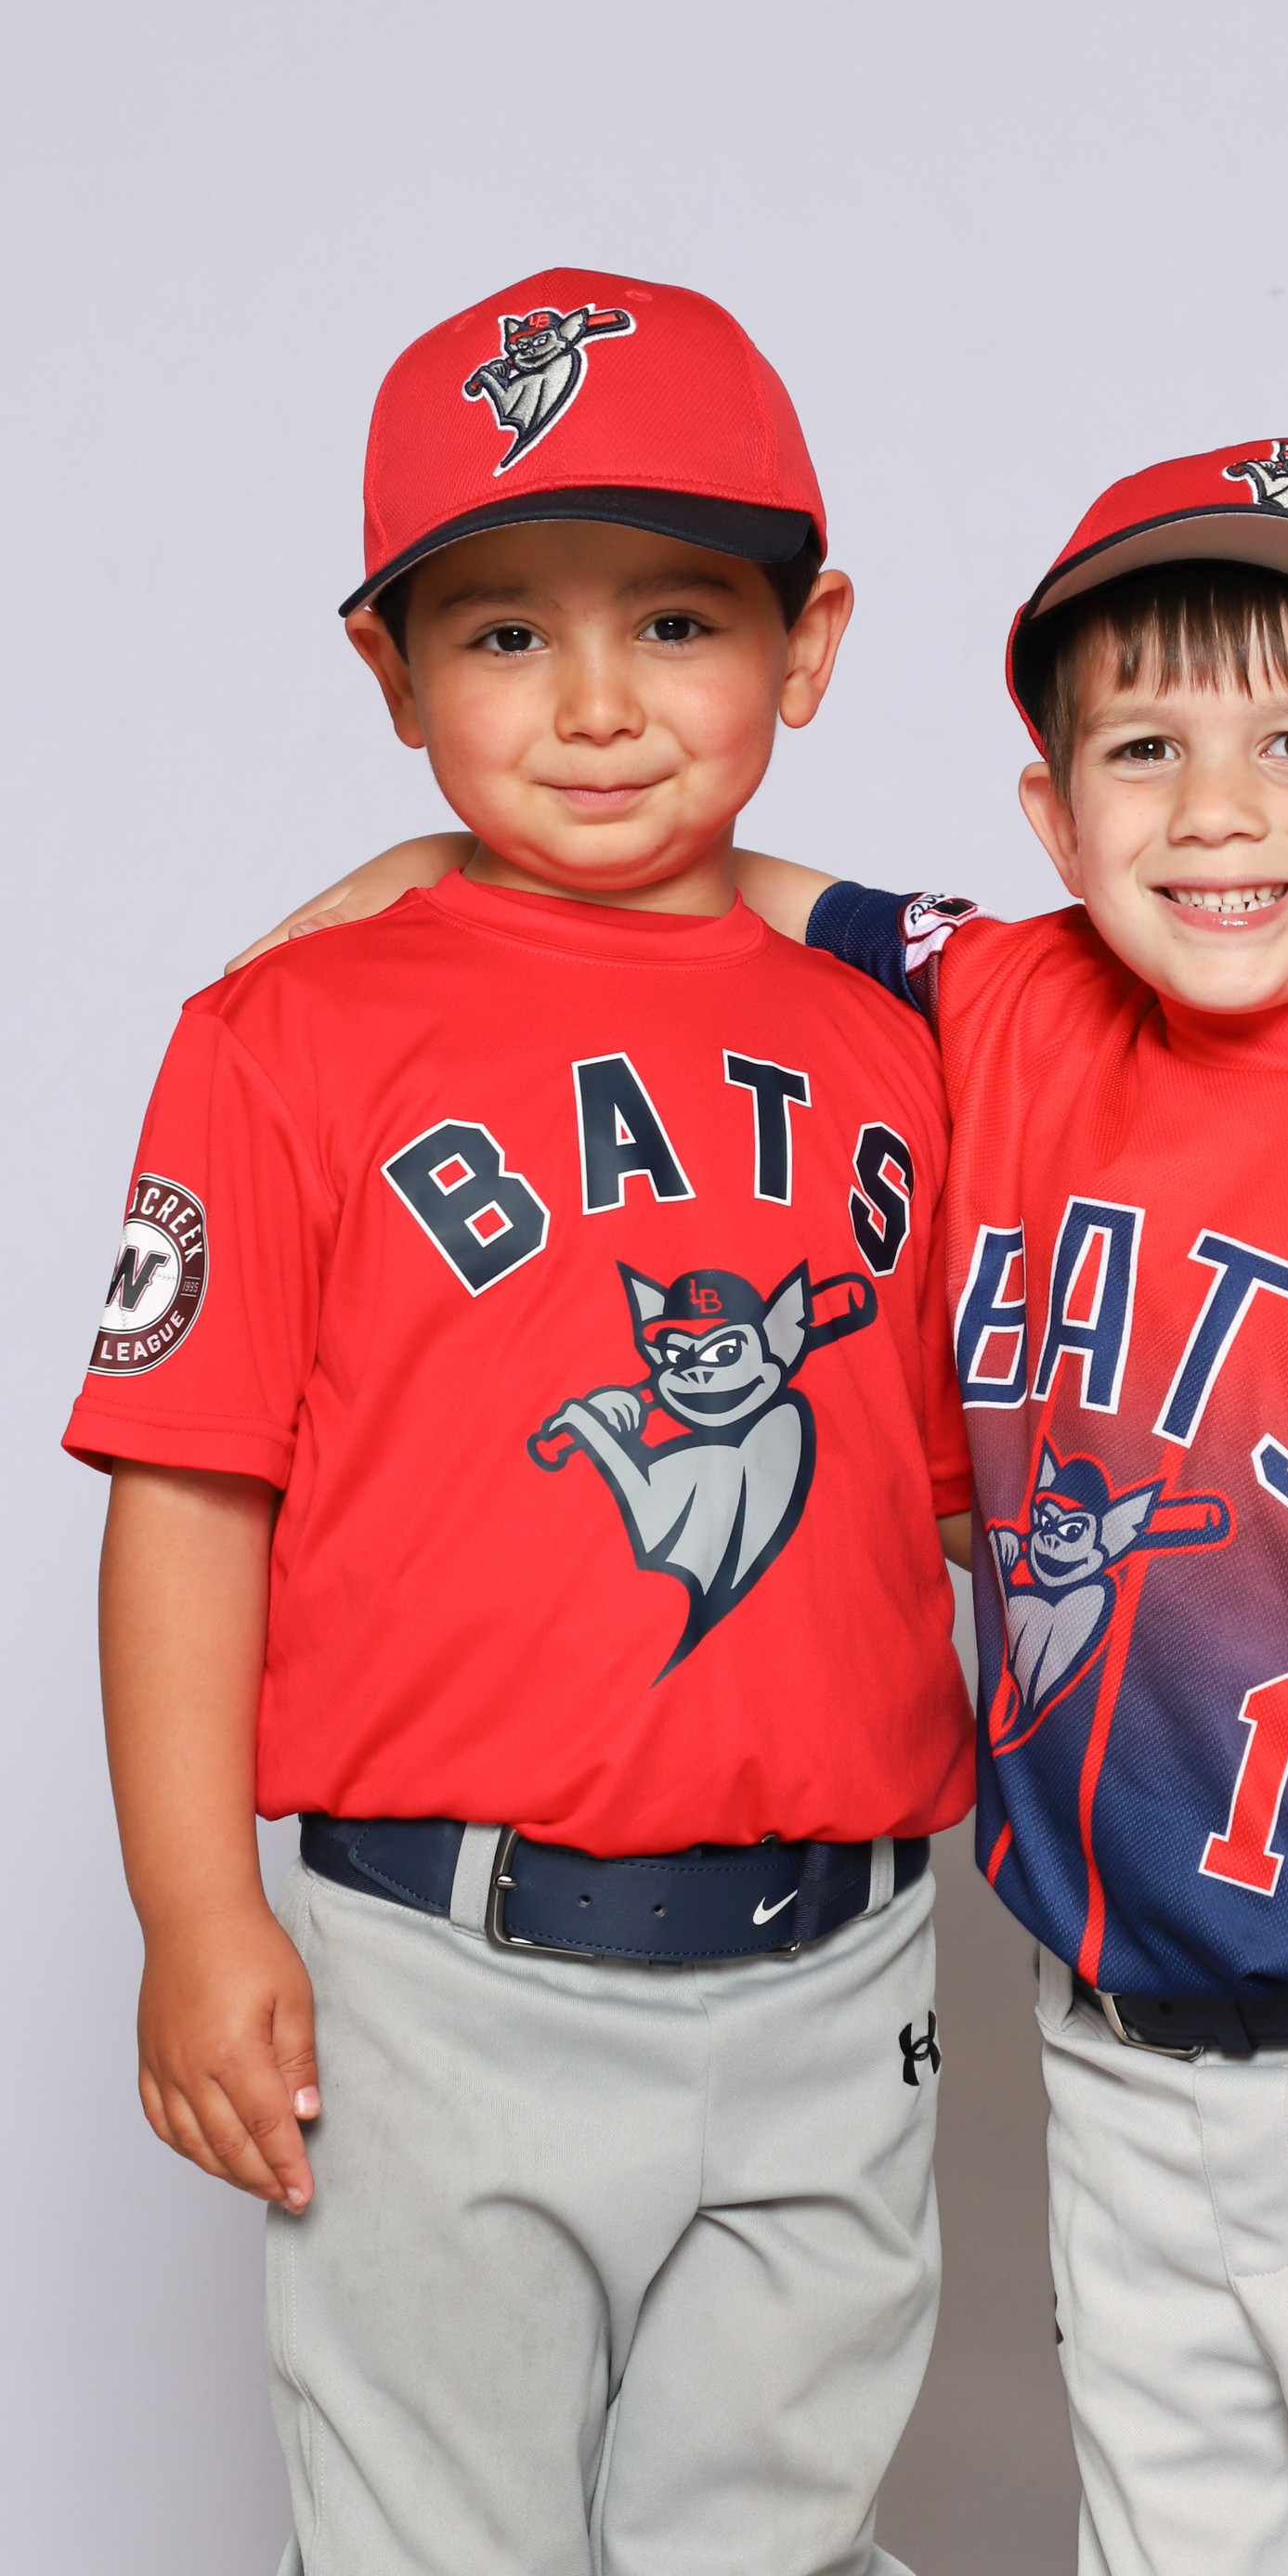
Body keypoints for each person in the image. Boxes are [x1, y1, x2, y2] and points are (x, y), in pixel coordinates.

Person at [288, 434, 1288, 2575]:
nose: (1213, 809)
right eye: (1142, 747)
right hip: (1116, 2051)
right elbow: (733, 875)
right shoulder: (1015, 1010)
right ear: (1049, 815)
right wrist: (445, 862)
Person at [65, 270, 978, 2576]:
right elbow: (188, 1486)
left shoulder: (912, 1043)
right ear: (389, 673)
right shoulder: (291, 1023)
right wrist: (193, 1902)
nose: (592, 702)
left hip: (843, 1970)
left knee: (776, 2539)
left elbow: (971, 1485)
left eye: (676, 620)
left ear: (808, 641)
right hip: (440, 1968)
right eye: (499, 633)